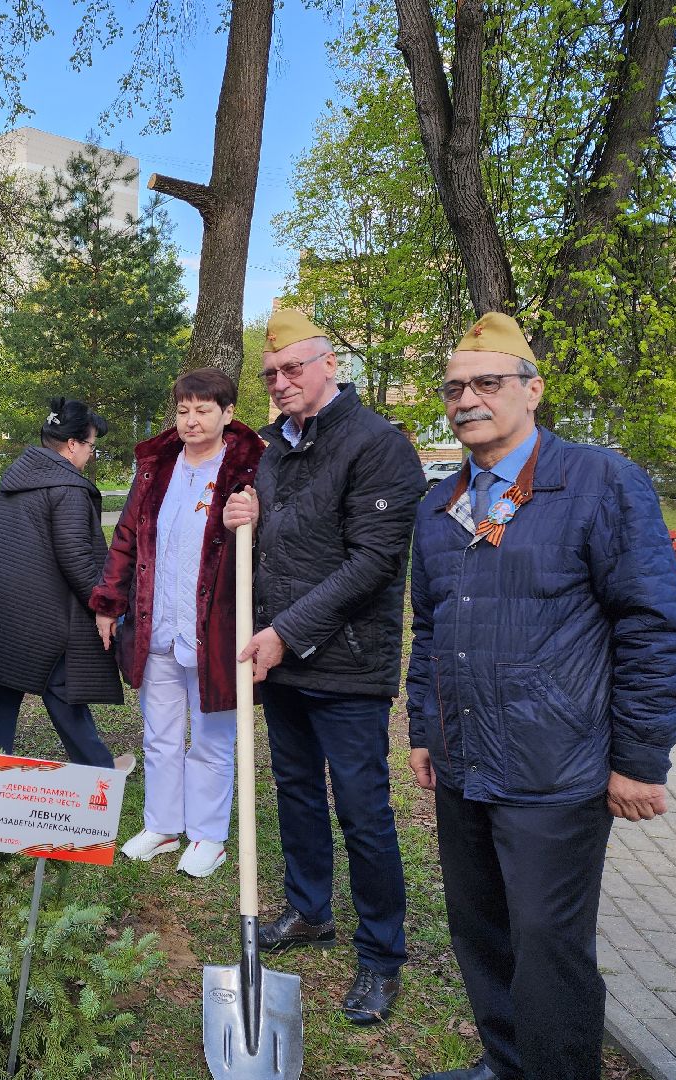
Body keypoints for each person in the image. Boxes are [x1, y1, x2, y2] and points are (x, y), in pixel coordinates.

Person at [405, 313, 676, 1080]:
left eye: (488, 382)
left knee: (549, 945)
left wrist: (639, 760)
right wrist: (425, 730)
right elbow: (429, 631)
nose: (467, 398)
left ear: (532, 391)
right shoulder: (440, 509)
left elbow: (655, 625)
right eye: (454, 387)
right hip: (467, 763)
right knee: (481, 930)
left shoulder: (598, 482)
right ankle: (506, 1063)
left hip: (555, 770)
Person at [220, 308, 423, 1025]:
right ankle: (310, 911)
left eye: (292, 368)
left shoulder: (379, 445)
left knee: (363, 811)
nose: (279, 382)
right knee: (296, 790)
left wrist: (283, 633)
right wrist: (245, 515)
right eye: (270, 373)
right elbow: (277, 540)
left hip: (347, 663)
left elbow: (371, 562)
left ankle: (381, 953)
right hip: (283, 660)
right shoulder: (272, 447)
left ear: (329, 364)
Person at [90, 368, 263, 879]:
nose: (191, 420)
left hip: (217, 627)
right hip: (157, 620)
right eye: (183, 409)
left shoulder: (248, 471)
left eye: (203, 409)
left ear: (227, 414)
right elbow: (127, 537)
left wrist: (256, 516)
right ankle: (163, 824)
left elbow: (269, 546)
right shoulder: (157, 466)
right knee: (160, 732)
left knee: (211, 734)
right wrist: (108, 601)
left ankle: (208, 835)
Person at [0, 397, 131, 770]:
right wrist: (104, 604)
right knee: (63, 686)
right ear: (72, 445)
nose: (90, 454)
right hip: (44, 613)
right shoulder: (68, 487)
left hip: (3, 605)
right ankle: (99, 768)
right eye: (91, 446)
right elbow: (77, 558)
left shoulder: (18, 477)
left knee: (2, 682)